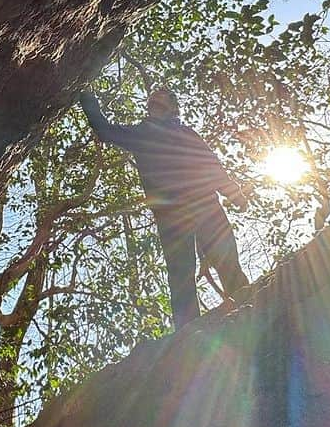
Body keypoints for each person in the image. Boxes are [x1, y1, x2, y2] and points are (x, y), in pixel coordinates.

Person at [79, 87, 249, 328]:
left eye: (161, 95)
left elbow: (211, 165)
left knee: (227, 261)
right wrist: (85, 93)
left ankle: (250, 308)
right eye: (151, 96)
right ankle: (188, 335)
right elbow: (104, 130)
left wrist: (233, 193)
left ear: (172, 105)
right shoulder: (140, 133)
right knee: (180, 277)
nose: (153, 98)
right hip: (171, 216)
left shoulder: (187, 133)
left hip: (205, 204)